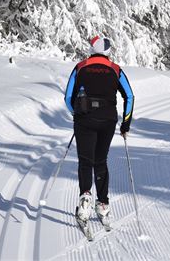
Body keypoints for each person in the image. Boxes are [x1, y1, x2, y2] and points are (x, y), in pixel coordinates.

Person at [64, 36, 134, 227]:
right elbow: (129, 95)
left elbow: (68, 96)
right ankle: (102, 204)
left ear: (91, 49)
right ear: (108, 51)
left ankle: (85, 201)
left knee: (85, 161)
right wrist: (125, 125)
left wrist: (76, 112)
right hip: (107, 120)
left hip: (84, 119)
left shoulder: (80, 67)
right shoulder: (115, 69)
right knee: (100, 161)